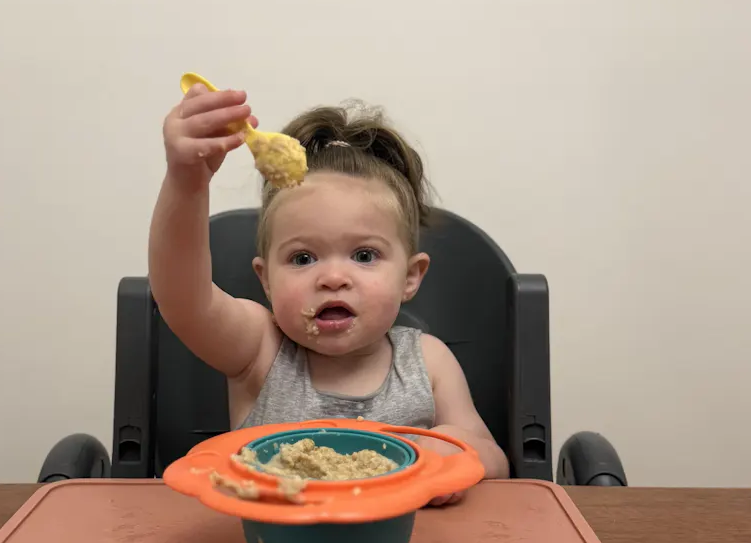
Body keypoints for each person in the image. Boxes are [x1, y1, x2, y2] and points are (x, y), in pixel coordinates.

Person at [148, 84, 509, 504]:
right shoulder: (259, 351)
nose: (333, 278)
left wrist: (457, 451)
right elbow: (183, 299)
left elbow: (495, 461)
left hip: (401, 542)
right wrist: (187, 182)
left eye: (364, 255)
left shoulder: (428, 363)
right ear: (266, 280)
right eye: (302, 258)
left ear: (410, 277)